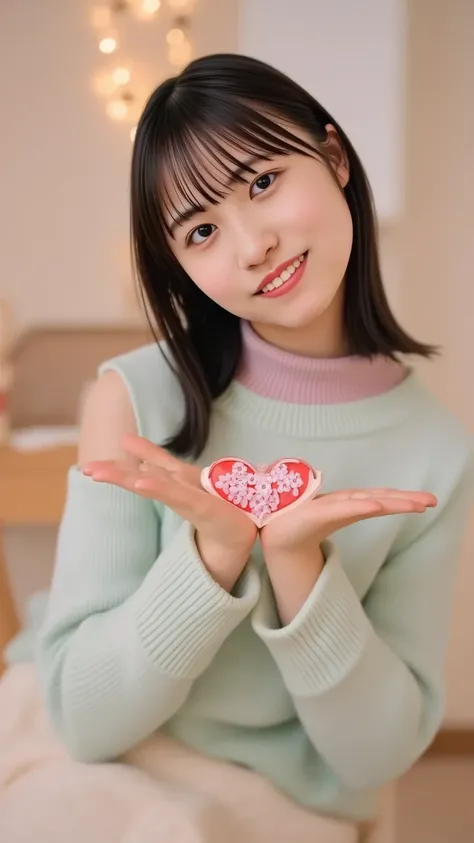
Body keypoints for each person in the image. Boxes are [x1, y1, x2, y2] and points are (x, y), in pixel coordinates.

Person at [33, 53, 472, 841]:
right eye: (202, 230)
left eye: (262, 182)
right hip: (98, 770)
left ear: (334, 158)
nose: (252, 245)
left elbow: (373, 758)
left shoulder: (434, 449)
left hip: (283, 805)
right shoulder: (133, 400)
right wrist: (212, 557)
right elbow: (83, 722)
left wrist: (300, 568)